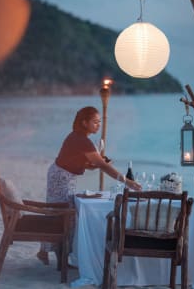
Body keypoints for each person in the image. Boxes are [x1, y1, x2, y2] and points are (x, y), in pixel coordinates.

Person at [37, 106, 142, 265]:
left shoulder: (78, 138)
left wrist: (93, 165)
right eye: (95, 122)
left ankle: (48, 252)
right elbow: (103, 166)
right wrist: (128, 181)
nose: (98, 125)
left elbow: (77, 160)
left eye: (100, 122)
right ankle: (55, 255)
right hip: (61, 177)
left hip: (61, 174)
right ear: (84, 122)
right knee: (63, 214)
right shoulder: (81, 139)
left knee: (60, 213)